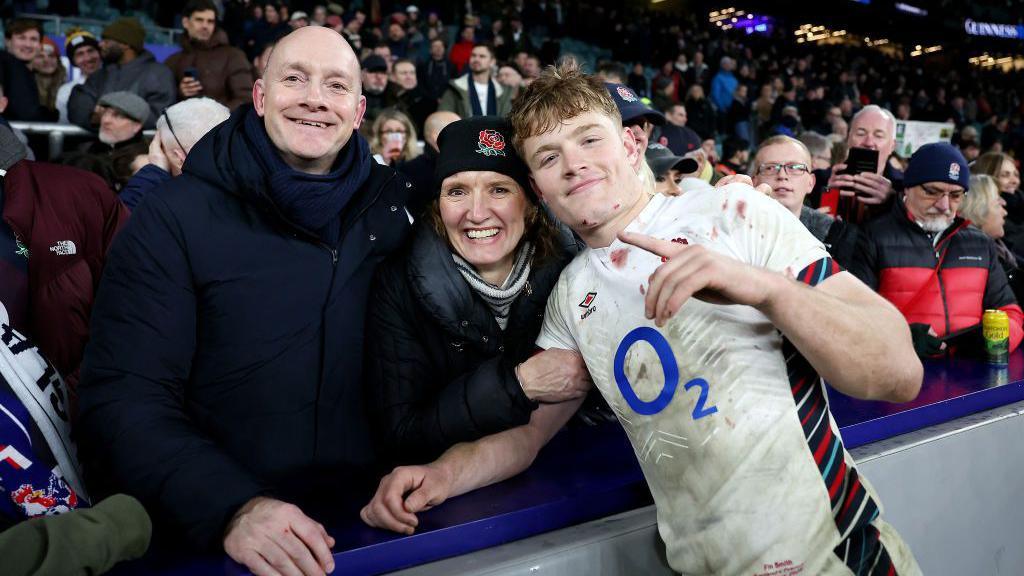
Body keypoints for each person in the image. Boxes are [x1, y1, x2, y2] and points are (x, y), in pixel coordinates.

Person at [512, 61, 922, 575]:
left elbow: (899, 373)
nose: (573, 164)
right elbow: (528, 436)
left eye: (589, 139)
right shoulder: (570, 294)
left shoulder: (732, 211)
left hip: (837, 558)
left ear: (633, 146)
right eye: (550, 156)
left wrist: (763, 289)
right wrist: (436, 476)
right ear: (537, 185)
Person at [77, 27, 415, 576]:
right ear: (259, 97)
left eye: (335, 85)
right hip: (220, 541)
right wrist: (233, 507)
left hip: (377, 528)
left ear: (358, 111)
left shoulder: (393, 209)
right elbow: (122, 398)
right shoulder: (173, 219)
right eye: (294, 79)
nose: (314, 98)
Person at [361, 115, 583, 478]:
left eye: (499, 189)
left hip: (574, 484)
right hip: (449, 504)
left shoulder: (571, 269)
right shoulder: (397, 284)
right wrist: (518, 385)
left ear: (530, 204)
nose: (477, 213)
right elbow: (400, 436)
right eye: (457, 191)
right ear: (437, 206)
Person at [852, 143, 1023, 358]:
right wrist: (902, 338)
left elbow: (1010, 311)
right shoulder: (872, 237)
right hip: (901, 374)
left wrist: (1000, 340)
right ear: (907, 187)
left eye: (956, 195)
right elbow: (854, 317)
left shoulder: (980, 243)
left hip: (974, 378)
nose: (944, 205)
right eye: (932, 192)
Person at [752, 135, 859, 269]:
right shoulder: (733, 228)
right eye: (770, 168)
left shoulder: (839, 235)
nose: (782, 176)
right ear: (754, 181)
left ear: (811, 182)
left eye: (795, 167)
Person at [119, 97, 230, 210]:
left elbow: (121, 221)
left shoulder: (177, 207)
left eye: (160, 146)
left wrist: (154, 173)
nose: (153, 153)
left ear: (179, 158)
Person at [67, 17, 177, 130]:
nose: (100, 45)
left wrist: (112, 115)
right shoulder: (101, 74)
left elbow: (159, 116)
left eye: (106, 41)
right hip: (100, 146)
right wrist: (92, 117)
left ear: (125, 44)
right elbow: (78, 105)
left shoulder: (158, 74)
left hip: (139, 147)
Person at [164, 0, 255, 110]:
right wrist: (180, 93)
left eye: (210, 21)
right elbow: (162, 103)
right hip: (181, 125)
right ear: (185, 22)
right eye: (199, 20)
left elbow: (245, 99)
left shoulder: (233, 56)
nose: (205, 26)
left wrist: (215, 118)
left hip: (222, 125)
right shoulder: (173, 60)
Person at [823, 105, 903, 220]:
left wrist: (892, 200)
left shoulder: (904, 188)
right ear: (848, 139)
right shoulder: (821, 179)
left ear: (892, 146)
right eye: (861, 133)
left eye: (878, 136)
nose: (869, 142)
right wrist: (828, 194)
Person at [961, 174, 1023, 301]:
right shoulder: (975, 259)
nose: (1004, 212)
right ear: (977, 211)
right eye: (997, 204)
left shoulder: (1002, 248)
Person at [395, 110, 458, 213]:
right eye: (457, 131)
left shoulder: (460, 165)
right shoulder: (411, 172)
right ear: (436, 136)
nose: (463, 136)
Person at [0, 19, 54, 121]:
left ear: (39, 45)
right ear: (7, 42)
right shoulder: (3, 60)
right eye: (21, 38)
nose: (28, 44)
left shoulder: (28, 72)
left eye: (33, 39)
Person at [439, 44, 512, 118]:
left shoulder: (502, 92)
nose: (476, 59)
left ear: (492, 62)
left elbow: (507, 119)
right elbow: (443, 117)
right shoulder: (455, 87)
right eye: (473, 55)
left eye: (482, 56)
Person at [972, 152, 1022, 252]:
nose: (1014, 181)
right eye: (1005, 175)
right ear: (987, 177)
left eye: (1016, 174)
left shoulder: (1020, 202)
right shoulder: (985, 217)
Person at [56, 29, 103, 123]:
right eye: (80, 54)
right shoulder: (65, 91)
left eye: (91, 51)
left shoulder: (117, 81)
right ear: (73, 61)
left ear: (100, 53)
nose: (88, 58)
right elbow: (63, 126)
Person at [31, 37, 65, 114]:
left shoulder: (67, 89)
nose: (46, 60)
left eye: (51, 56)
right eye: (40, 56)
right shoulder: (24, 87)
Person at [418, 37, 453, 101]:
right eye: (435, 46)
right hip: (427, 100)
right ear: (430, 50)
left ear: (444, 49)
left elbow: (453, 84)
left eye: (441, 46)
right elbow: (420, 85)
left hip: (447, 100)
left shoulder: (451, 66)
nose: (438, 48)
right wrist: (432, 98)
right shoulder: (423, 66)